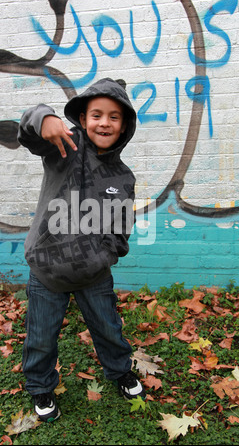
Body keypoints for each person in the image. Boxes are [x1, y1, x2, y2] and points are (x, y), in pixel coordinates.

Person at [17, 78, 146, 422]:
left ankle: (120, 371)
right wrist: (43, 118)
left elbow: (121, 230)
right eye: (96, 115)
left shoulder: (123, 178)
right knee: (41, 336)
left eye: (114, 117)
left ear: (125, 125)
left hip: (94, 275)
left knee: (108, 329)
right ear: (83, 118)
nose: (104, 122)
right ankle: (40, 386)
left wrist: (104, 255)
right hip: (47, 271)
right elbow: (29, 130)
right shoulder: (65, 146)